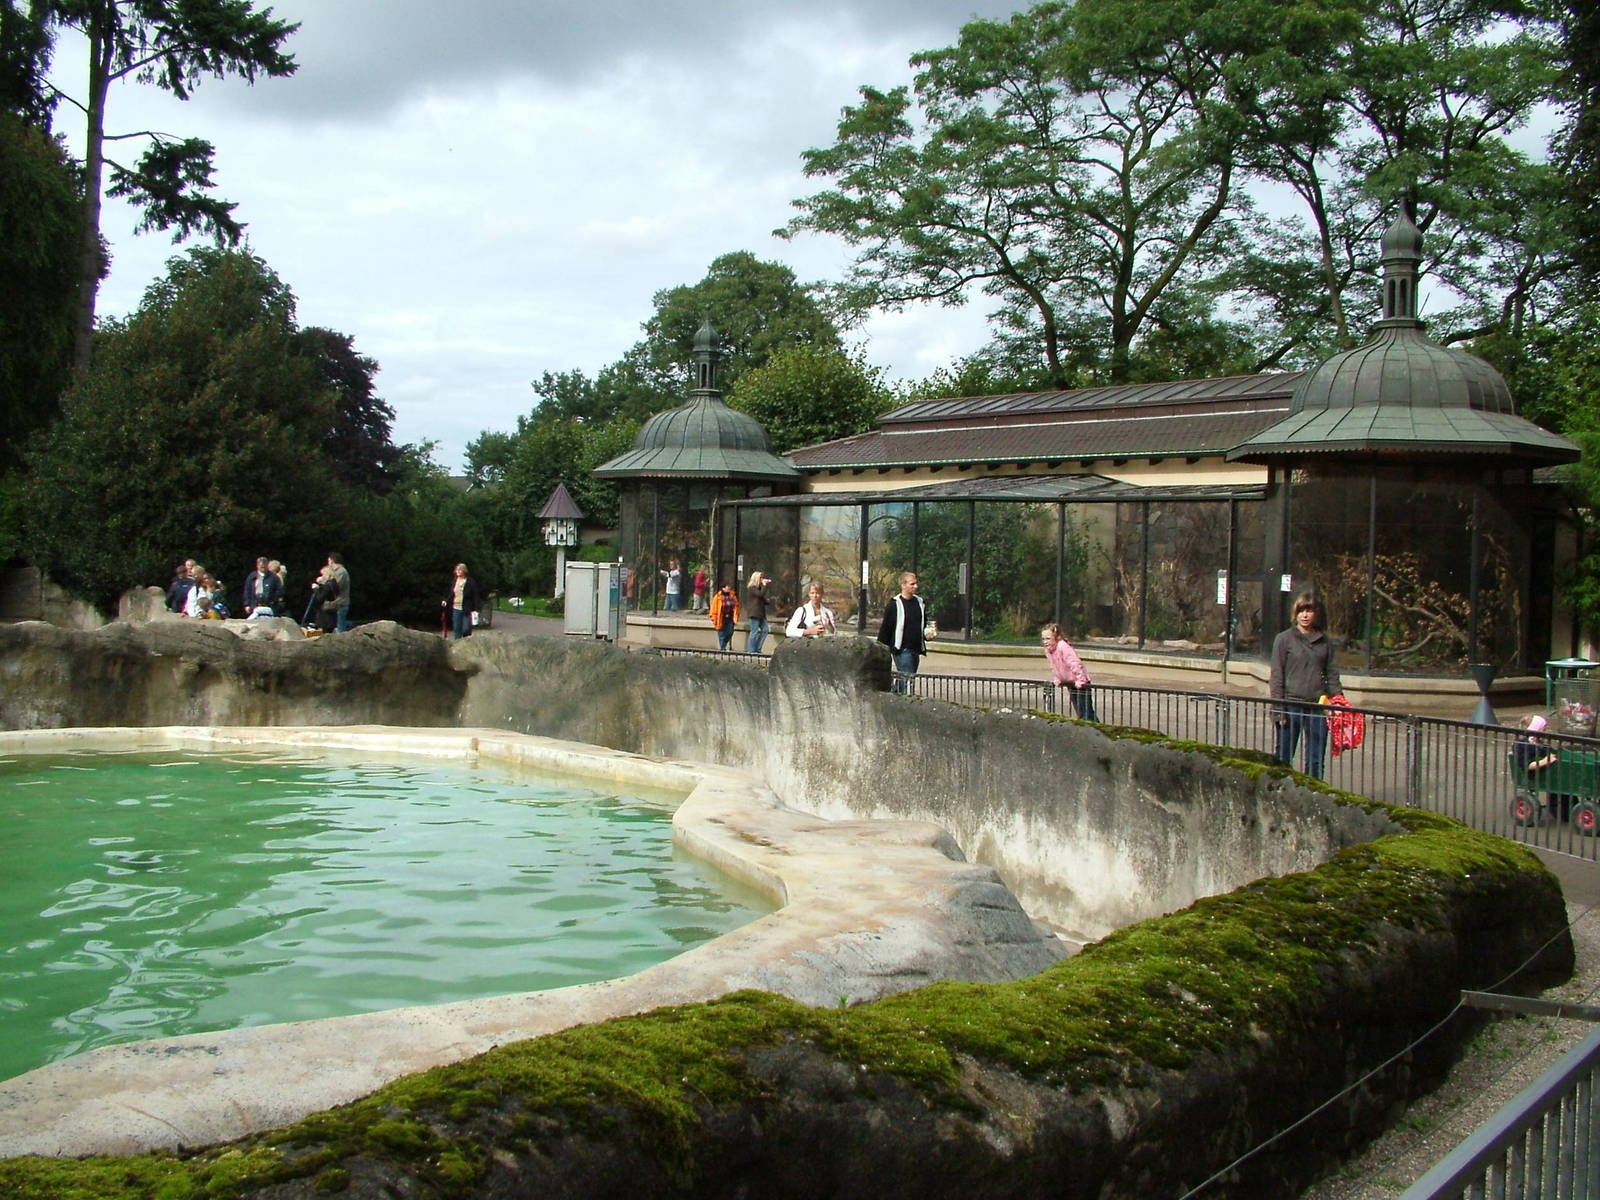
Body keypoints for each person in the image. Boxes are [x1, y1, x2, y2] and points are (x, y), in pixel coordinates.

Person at [1270, 590, 1341, 779]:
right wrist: (1278, 708)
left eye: (1309, 610)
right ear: (1296, 613)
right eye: (1301, 610)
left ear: (1315, 613)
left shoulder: (1325, 641)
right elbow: (1277, 676)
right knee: (1284, 756)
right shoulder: (1284, 639)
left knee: (1316, 758)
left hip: (1317, 705)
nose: (1305, 615)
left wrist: (1338, 702)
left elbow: (1332, 674)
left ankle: (1313, 795)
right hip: (1291, 704)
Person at [877, 572, 928, 694]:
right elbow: (886, 628)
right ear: (903, 585)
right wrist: (881, 647)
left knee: (907, 678)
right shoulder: (895, 604)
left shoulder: (920, 602)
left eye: (916, 583)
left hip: (916, 648)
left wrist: (927, 634)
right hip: (901, 649)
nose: (915, 586)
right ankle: (903, 699)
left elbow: (924, 623)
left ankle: (895, 695)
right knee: (907, 676)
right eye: (912, 584)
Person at [1040, 623, 1098, 721]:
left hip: (1080, 682)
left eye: (1048, 638)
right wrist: (1058, 678)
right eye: (1043, 639)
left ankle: (1095, 731)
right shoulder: (1048, 650)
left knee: (1086, 712)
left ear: (1057, 637)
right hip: (1071, 683)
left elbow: (1075, 663)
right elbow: (1054, 666)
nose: (1045, 642)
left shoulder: (1063, 646)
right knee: (1080, 711)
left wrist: (1081, 680)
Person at [443, 562, 481, 639]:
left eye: (460, 570)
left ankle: (466, 643)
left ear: (464, 571)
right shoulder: (455, 581)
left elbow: (475, 596)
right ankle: (457, 645)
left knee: (466, 629)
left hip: (467, 609)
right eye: (457, 570)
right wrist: (446, 601)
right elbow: (451, 593)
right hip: (456, 608)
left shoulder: (470, 582)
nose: (457, 571)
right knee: (457, 629)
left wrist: (476, 609)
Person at [708, 580, 741, 651]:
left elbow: (736, 606)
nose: (728, 588)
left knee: (730, 632)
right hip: (721, 617)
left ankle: (723, 646)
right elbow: (714, 609)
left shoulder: (733, 596)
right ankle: (722, 649)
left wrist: (736, 615)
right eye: (727, 587)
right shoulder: (717, 597)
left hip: (730, 617)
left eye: (729, 587)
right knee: (721, 634)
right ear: (723, 588)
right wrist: (714, 618)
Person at [744, 571, 771, 654]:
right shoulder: (752, 587)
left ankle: (757, 648)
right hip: (754, 613)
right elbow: (760, 595)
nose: (762, 580)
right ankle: (751, 650)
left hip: (761, 613)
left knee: (765, 629)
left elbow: (762, 598)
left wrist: (768, 601)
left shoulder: (759, 588)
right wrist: (764, 585)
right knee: (754, 631)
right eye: (761, 578)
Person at [325, 553, 351, 631]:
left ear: (332, 561)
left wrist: (324, 581)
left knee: (340, 629)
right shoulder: (336, 572)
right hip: (337, 605)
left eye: (329, 561)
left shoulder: (341, 572)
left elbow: (336, 586)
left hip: (341, 604)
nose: (328, 563)